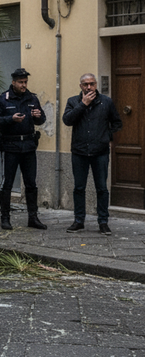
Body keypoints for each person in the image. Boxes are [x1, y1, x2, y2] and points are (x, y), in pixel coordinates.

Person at [62, 73, 122, 235]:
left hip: (100, 152)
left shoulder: (106, 102)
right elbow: (67, 120)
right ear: (80, 85)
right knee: (79, 188)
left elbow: (117, 122)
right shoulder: (73, 101)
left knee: (102, 188)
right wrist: (83, 104)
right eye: (85, 84)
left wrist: (106, 137)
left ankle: (103, 222)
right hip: (79, 152)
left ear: (96, 85)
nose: (89, 87)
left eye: (92, 84)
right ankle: (78, 221)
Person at [0, 68, 47, 230]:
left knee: (31, 183)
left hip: (28, 146)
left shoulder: (32, 98)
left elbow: (41, 120)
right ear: (13, 82)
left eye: (25, 82)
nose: (24, 85)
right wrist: (11, 119)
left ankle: (33, 218)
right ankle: (5, 218)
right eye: (21, 82)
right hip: (10, 146)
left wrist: (38, 116)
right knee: (7, 183)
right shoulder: (3, 99)